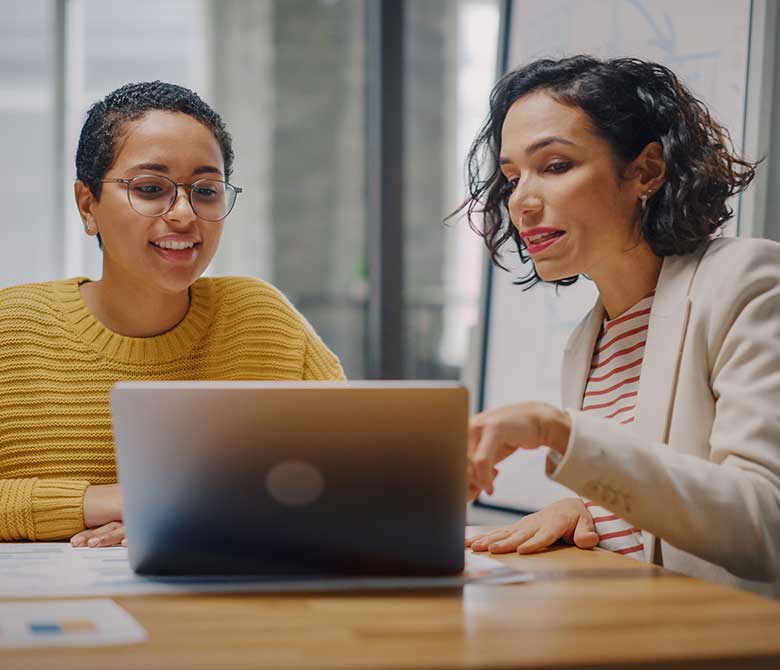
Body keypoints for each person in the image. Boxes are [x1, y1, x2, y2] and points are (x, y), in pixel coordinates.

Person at [459, 56, 780, 597]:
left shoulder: (747, 282)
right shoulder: (589, 340)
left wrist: (560, 432)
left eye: (555, 166)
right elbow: (657, 504)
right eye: (512, 177)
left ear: (647, 171)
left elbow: (765, 524)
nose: (521, 202)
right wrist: (588, 509)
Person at [0, 81, 344, 549]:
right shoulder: (11, 327)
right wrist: (117, 502)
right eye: (149, 188)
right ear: (88, 206)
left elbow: (347, 481)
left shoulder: (264, 321)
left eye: (205, 190)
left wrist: (194, 516)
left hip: (227, 601)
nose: (184, 214)